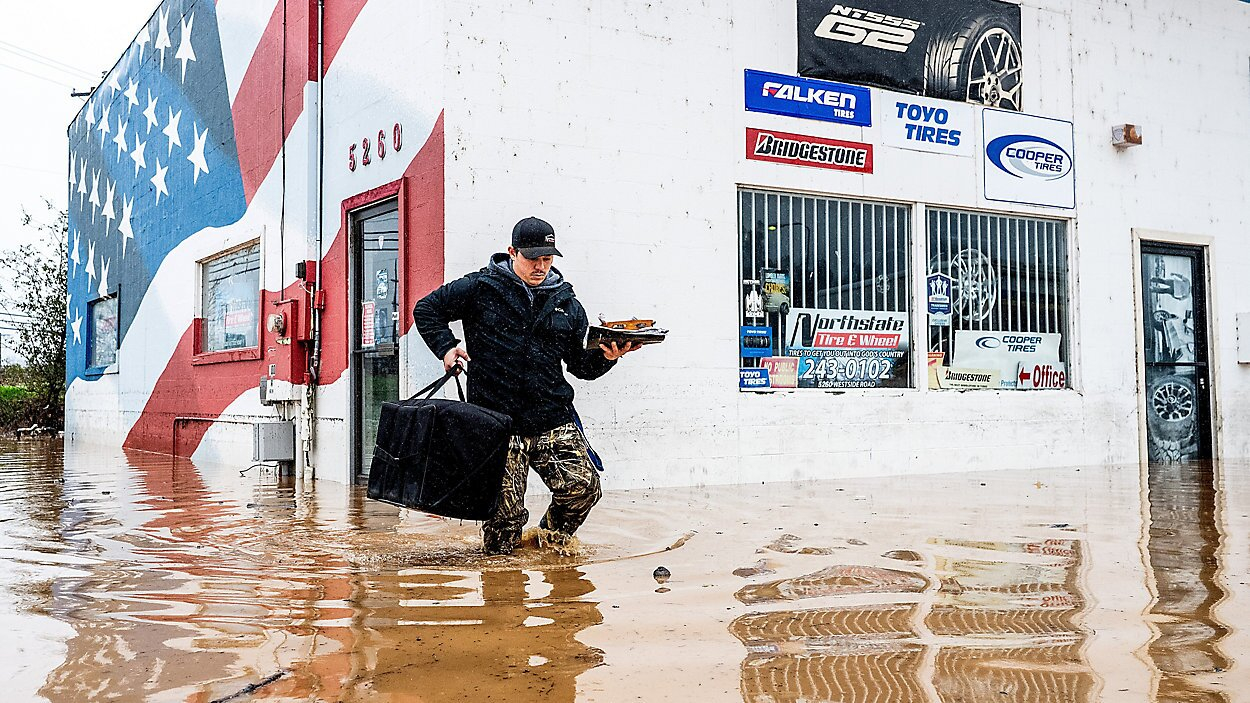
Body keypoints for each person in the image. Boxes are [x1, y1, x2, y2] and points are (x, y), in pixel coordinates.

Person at [412, 216, 641, 555]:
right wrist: (446, 347)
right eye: (533, 258)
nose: (540, 266)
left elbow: (580, 367)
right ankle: (504, 596)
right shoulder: (479, 288)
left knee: (584, 487)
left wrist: (608, 357)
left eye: (547, 259)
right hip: (497, 423)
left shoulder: (568, 304)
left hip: (552, 417)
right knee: (504, 525)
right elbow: (427, 309)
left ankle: (546, 544)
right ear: (512, 252)